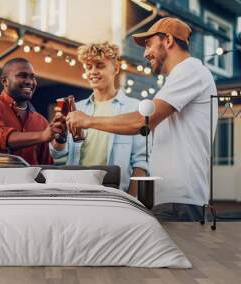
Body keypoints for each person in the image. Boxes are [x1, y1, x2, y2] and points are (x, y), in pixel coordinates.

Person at [66, 17, 218, 220]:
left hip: (179, 200)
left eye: (148, 44)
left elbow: (142, 121)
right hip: (170, 199)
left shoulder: (190, 70)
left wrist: (88, 121)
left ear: (168, 40)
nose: (145, 53)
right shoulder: (177, 79)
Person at [50, 42, 149, 195]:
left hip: (115, 195)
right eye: (89, 67)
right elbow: (59, 158)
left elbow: (141, 163)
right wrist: (60, 138)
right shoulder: (77, 109)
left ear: (115, 69)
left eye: (100, 66)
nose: (93, 72)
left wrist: (130, 200)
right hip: (75, 192)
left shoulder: (134, 109)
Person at [0, 57, 61, 165]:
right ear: (4, 81)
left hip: (30, 181)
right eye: (22, 75)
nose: (29, 81)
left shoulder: (41, 121)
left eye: (32, 77)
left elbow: (46, 165)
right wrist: (42, 136)